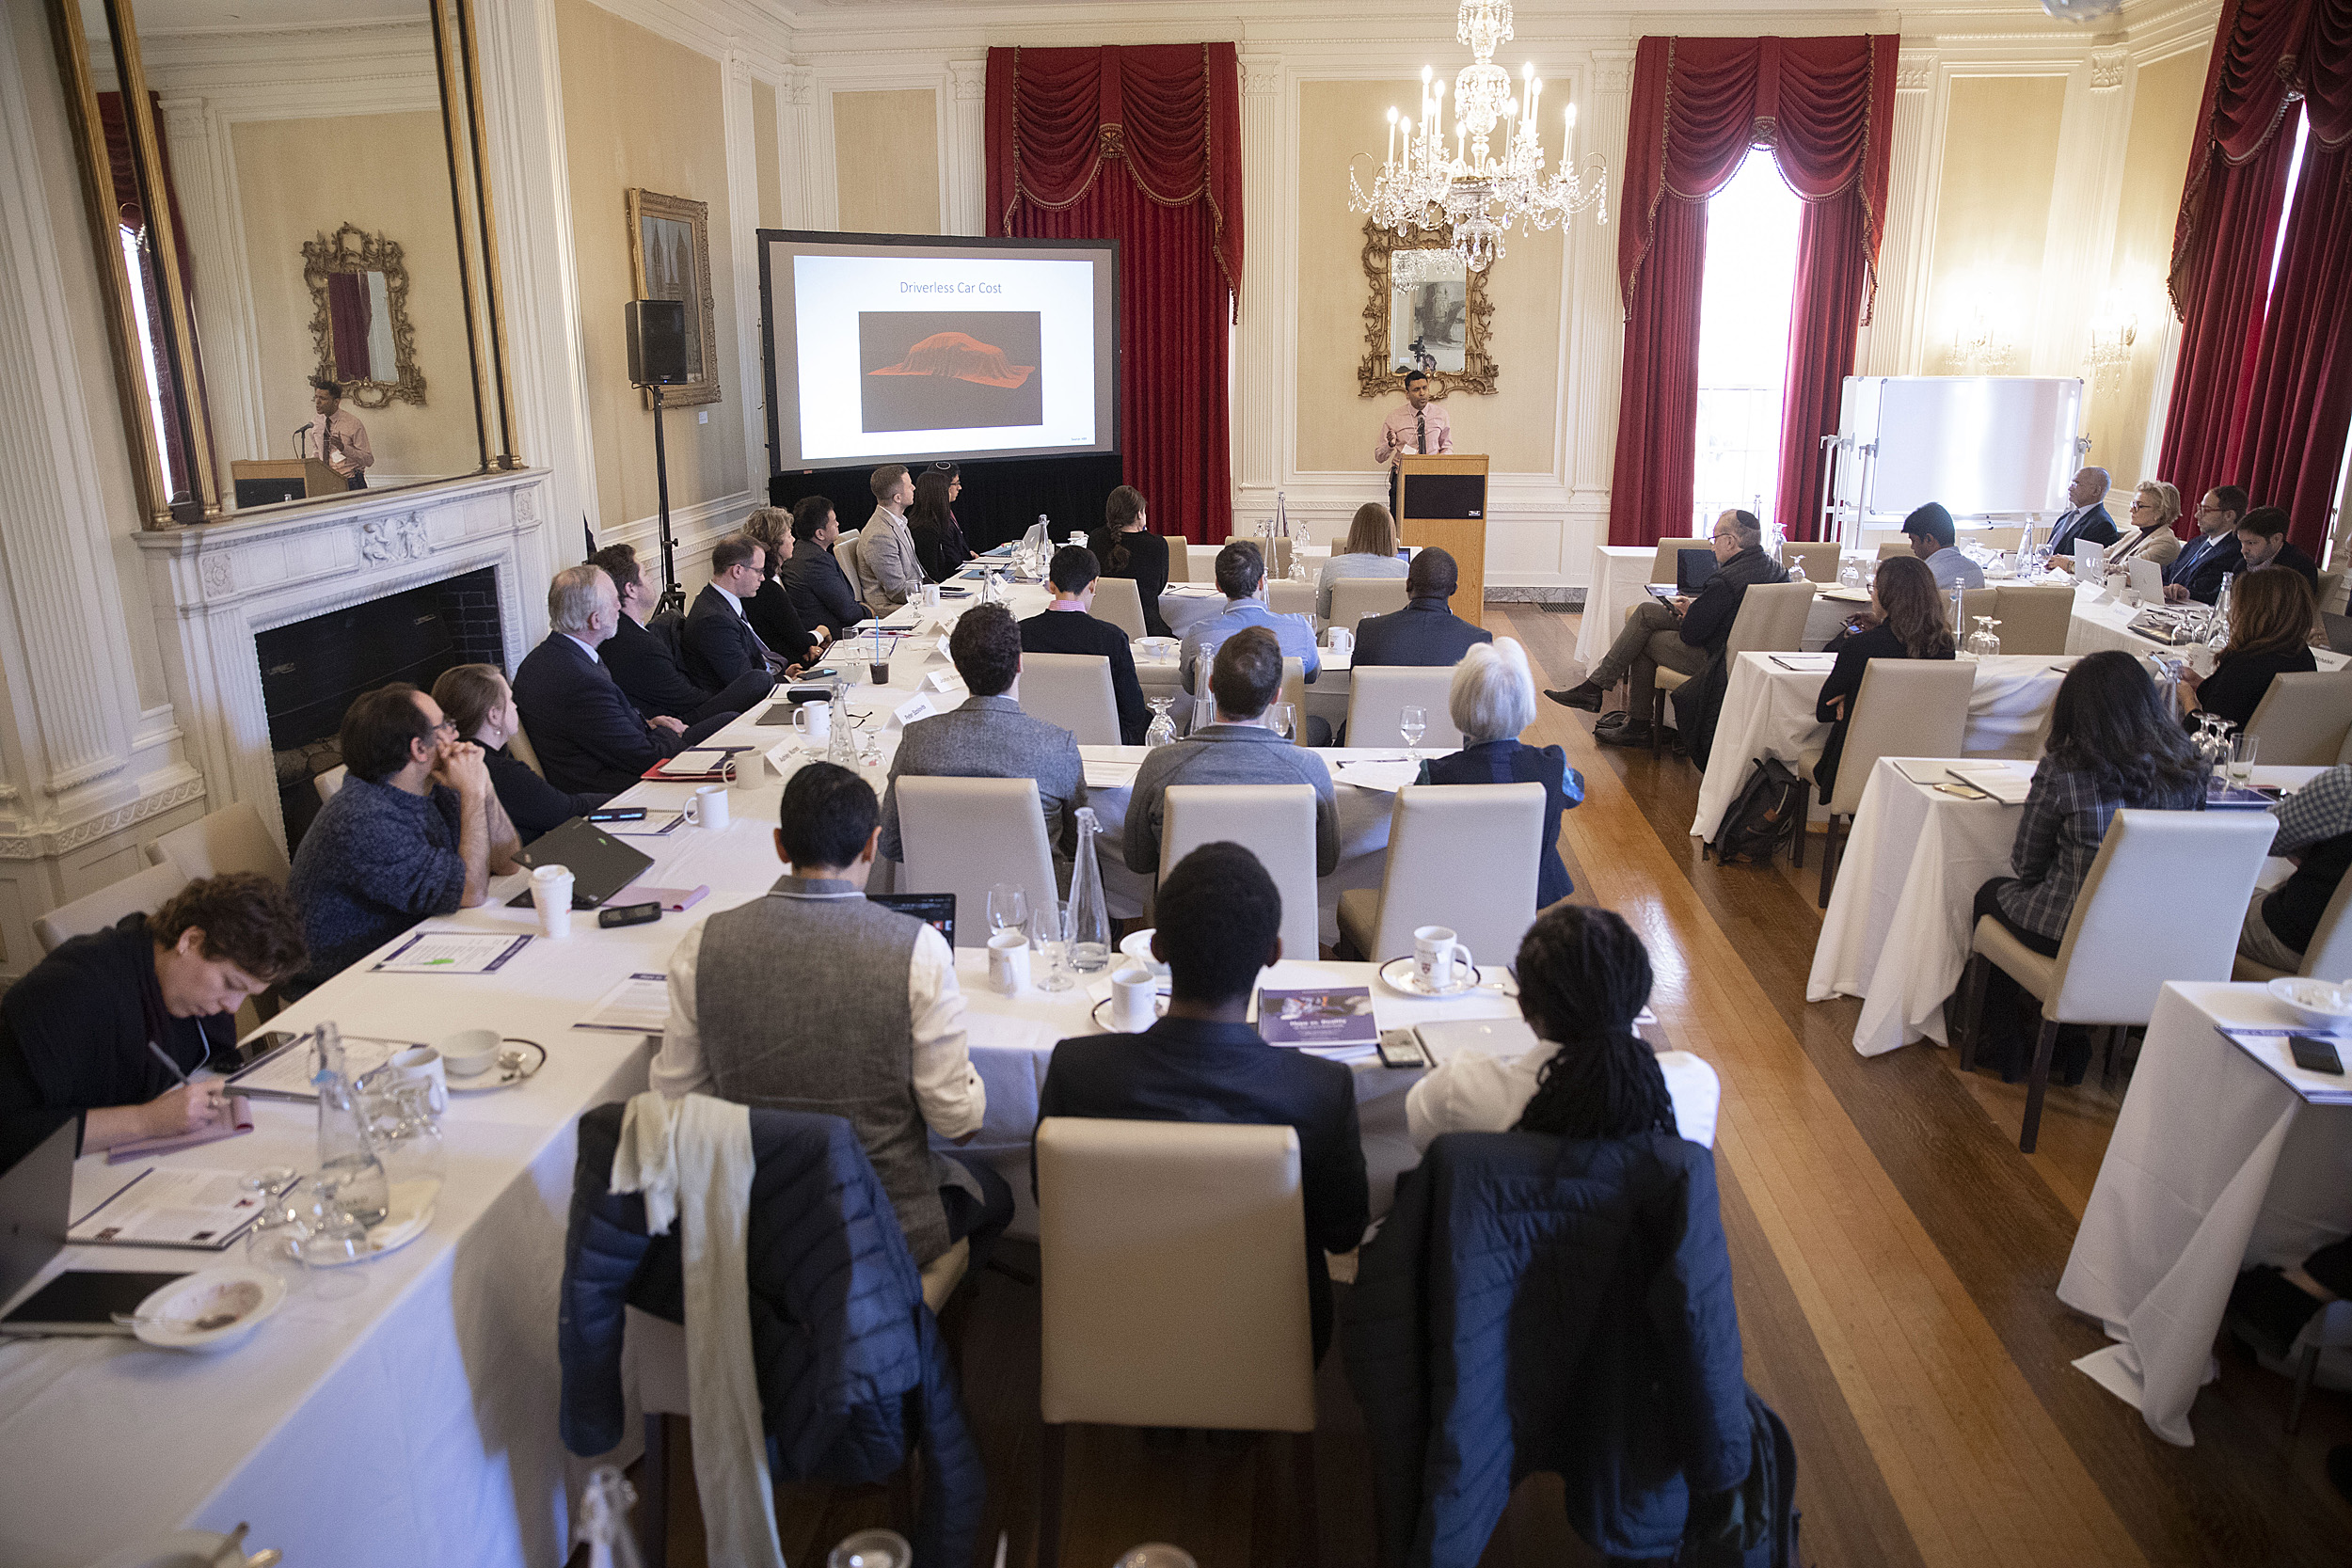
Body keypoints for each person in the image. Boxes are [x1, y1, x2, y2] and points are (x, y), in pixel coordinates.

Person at [652, 761, 1009, 1273]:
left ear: (780, 845)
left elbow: (675, 1103)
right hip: (883, 1223)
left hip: (758, 1221)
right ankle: (917, 1334)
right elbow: (957, 1122)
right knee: (994, 1191)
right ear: (872, 845)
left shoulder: (701, 946)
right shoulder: (919, 950)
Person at [1034, 841, 1369, 1359]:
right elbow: (1342, 1233)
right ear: (1274, 953)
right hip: (1269, 1340)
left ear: (1158, 948)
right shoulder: (1320, 1090)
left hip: (1116, 1326)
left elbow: (1048, 1198)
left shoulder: (1077, 1071)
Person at [1962, 651, 2208, 1083]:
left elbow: (2026, 864)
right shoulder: (2188, 769)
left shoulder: (2067, 770)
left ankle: (2005, 1040)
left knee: (1989, 894)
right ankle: (2072, 1042)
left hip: (2070, 930)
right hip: (2152, 934)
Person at [0, 874, 305, 1153]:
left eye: (247, 994)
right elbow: (10, 1131)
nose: (233, 1007)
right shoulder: (74, 989)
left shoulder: (185, 989)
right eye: (229, 984)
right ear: (191, 941)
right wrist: (147, 1120)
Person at [1406, 904, 1719, 1155]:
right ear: (1641, 997)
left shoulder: (1457, 1089)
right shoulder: (1696, 1085)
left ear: (1525, 1007)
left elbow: (1419, 1138)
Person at [288, 682, 525, 990]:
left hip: (416, 947)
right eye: (446, 725)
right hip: (341, 987)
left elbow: (508, 863)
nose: (456, 734)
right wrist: (472, 793)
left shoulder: (436, 784)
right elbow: (471, 893)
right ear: (419, 748)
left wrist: (484, 787)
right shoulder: (364, 818)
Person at [1544, 510, 1784, 752]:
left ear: (1730, 541)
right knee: (1646, 613)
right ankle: (1598, 690)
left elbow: (1692, 635)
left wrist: (1691, 615)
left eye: (1715, 539)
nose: (1712, 548)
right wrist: (1695, 610)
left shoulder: (1724, 581)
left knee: (1643, 639)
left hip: (1719, 661)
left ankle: (1631, 720)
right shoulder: (1778, 571)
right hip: (1759, 658)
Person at [876, 602, 1087, 869]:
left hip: (945, 904)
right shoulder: (1058, 746)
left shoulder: (917, 740)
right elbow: (1077, 844)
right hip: (1038, 904)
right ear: (1020, 663)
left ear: (957, 667)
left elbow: (892, 845)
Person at [1125, 627, 1339, 876]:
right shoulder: (1309, 770)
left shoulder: (1161, 765)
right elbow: (1325, 865)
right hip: (1279, 912)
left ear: (1211, 685)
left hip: (1183, 911)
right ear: (1275, 697)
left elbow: (1138, 861)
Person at [513, 564, 737, 794]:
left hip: (625, 755)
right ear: (595, 620)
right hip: (616, 787)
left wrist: (650, 724)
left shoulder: (546, 657)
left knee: (729, 721)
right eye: (613, 601)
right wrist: (670, 732)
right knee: (732, 757)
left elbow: (603, 729)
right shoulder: (580, 679)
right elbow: (646, 758)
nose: (620, 606)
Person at [1408, 639, 1581, 908]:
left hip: (1453, 898)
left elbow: (1416, 833)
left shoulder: (1437, 774)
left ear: (1460, 701)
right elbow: (1576, 793)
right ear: (1525, 700)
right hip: (1531, 897)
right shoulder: (1552, 766)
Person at [1811, 555, 1957, 802]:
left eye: (1874, 588)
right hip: (1919, 763)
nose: (1871, 595)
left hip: (1858, 763)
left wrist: (1853, 699)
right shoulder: (1943, 645)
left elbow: (1824, 711)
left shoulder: (1861, 646)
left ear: (1887, 596)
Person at [590, 544, 774, 725]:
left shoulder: (624, 633)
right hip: (677, 722)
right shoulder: (636, 645)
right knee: (758, 681)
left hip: (673, 709)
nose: (650, 579)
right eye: (645, 574)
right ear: (630, 589)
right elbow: (687, 700)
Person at [431, 663, 608, 844]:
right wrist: (621, 798)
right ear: (494, 715)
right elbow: (568, 812)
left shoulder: (450, 763)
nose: (515, 706)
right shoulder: (501, 772)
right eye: (510, 699)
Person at [1019, 546, 1150, 744]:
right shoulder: (1111, 638)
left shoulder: (1019, 633)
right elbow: (1134, 713)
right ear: (1092, 585)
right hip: (1103, 743)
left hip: (1036, 740)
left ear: (1051, 586)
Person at [2237, 765, 2352, 973]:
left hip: (2301, 943)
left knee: (2201, 899)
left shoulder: (2345, 785)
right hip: (2344, 954)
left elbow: (2266, 836)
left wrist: (2306, 849)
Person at [2179, 564, 2317, 730]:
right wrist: (2200, 683)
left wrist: (2186, 698)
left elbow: (2205, 734)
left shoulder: (2246, 664)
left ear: (2254, 611)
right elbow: (2243, 704)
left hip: (2229, 753)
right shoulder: (2302, 656)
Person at [1176, 541, 1322, 696]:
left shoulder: (1198, 636)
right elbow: (1311, 676)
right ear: (1261, 582)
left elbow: (1191, 686)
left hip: (1218, 719)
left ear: (1218, 585)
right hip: (1283, 718)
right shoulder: (1300, 629)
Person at [686, 533, 817, 691]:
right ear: (738, 571)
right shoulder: (714, 621)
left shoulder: (722, 601)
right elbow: (745, 684)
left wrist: (782, 673)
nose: (762, 578)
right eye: (759, 571)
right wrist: (785, 680)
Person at [1351, 546, 1492, 668]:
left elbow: (1356, 687)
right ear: (1453, 590)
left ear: (1408, 585)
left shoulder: (1369, 631)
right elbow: (1480, 697)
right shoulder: (1478, 642)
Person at [739, 506, 830, 657]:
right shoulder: (767, 588)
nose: (794, 539)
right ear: (775, 543)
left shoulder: (780, 575)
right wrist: (822, 631)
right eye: (789, 535)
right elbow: (801, 642)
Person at [779, 495, 870, 637]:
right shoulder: (816, 562)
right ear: (820, 534)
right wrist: (870, 611)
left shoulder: (801, 550)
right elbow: (849, 613)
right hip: (831, 637)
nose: (838, 524)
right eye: (834, 522)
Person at [1089, 484, 1170, 639]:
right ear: (1139, 514)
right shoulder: (1157, 545)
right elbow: (1159, 587)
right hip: (1147, 630)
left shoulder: (1096, 539)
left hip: (1103, 628)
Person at [1374, 367, 1451, 518]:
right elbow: (1379, 456)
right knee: (1400, 524)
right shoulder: (1395, 417)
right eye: (1416, 390)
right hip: (1403, 479)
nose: (1422, 393)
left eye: (1424, 388)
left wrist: (1442, 465)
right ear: (1407, 394)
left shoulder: (1441, 415)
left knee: (1431, 522)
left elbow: (1447, 447)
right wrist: (1390, 445)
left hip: (1433, 478)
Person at [1316, 502, 1411, 619]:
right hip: (1387, 635)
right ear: (1389, 534)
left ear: (1354, 532)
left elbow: (1324, 612)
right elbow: (1405, 613)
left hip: (1345, 635)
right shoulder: (1402, 569)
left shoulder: (1332, 566)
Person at [854, 464, 924, 610]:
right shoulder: (879, 536)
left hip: (912, 600)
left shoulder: (898, 522)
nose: (914, 488)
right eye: (910, 485)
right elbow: (897, 592)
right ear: (897, 498)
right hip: (893, 610)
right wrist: (932, 595)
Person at [2164, 485, 2248, 603]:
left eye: (2205, 510)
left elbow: (2202, 591)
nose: (2197, 515)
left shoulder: (2235, 551)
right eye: (2199, 508)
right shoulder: (2196, 543)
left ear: (2229, 515)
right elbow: (2168, 573)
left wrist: (2182, 591)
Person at [304, 376, 373, 491]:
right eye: (316, 397)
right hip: (325, 482)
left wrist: (343, 448)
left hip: (350, 480)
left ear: (336, 401)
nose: (318, 402)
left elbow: (368, 460)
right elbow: (317, 451)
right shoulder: (315, 423)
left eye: (323, 398)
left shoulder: (352, 423)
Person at [1899, 502, 1984, 590]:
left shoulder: (1924, 578)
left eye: (1913, 540)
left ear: (1929, 539)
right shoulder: (1976, 570)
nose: (1912, 547)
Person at [2233, 504, 2318, 589]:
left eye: (2251, 543)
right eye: (2242, 542)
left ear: (2276, 539)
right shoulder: (2242, 565)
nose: (2243, 550)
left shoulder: (2299, 567)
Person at [907, 468, 970, 582]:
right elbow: (932, 572)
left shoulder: (936, 521)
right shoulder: (925, 527)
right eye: (947, 489)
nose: (951, 492)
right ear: (938, 493)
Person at [2043, 466, 2119, 556]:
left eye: (2076, 484)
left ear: (2095, 491)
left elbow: (2086, 564)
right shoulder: (2066, 517)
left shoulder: (2103, 525)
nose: (2070, 488)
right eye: (2071, 483)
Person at [2110, 481, 2185, 566]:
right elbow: (2102, 554)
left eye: (2139, 506)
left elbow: (2128, 567)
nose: (2131, 510)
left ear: (2159, 513)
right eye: (2133, 504)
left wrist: (2099, 565)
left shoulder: (2166, 543)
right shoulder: (2134, 534)